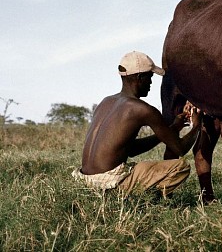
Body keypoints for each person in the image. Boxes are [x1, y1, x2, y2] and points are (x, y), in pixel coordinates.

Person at [72, 51, 201, 197]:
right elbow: (179, 149)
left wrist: (172, 129)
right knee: (180, 167)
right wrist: (197, 126)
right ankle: (140, 199)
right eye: (150, 77)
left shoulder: (105, 102)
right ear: (140, 78)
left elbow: (130, 149)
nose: (151, 83)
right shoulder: (142, 109)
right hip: (108, 183)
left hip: (84, 181)